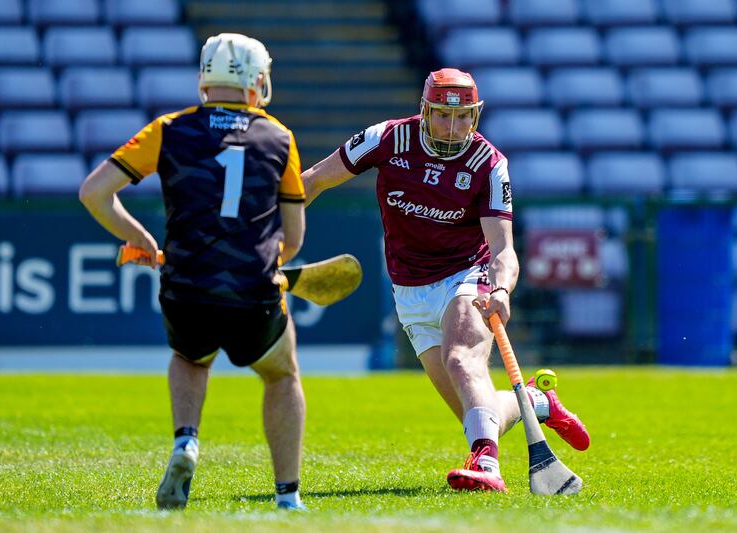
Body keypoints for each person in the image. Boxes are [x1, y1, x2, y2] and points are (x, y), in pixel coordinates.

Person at [302, 68, 590, 492]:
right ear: (424, 111)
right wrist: (268, 230)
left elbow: (503, 247)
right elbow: (313, 181)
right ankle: (536, 402)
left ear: (475, 116)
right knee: (479, 412)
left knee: (462, 361)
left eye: (463, 118)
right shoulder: (387, 138)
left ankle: (487, 468)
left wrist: (502, 289)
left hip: (465, 275)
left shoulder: (488, 163)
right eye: (442, 116)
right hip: (409, 289)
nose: (453, 128)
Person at [79, 33, 308, 510]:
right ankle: (287, 497)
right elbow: (294, 238)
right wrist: (269, 260)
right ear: (256, 80)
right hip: (253, 293)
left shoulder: (168, 128)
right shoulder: (280, 138)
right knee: (282, 375)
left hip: (185, 287)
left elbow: (94, 193)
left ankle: (186, 440)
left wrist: (141, 238)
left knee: (189, 357)